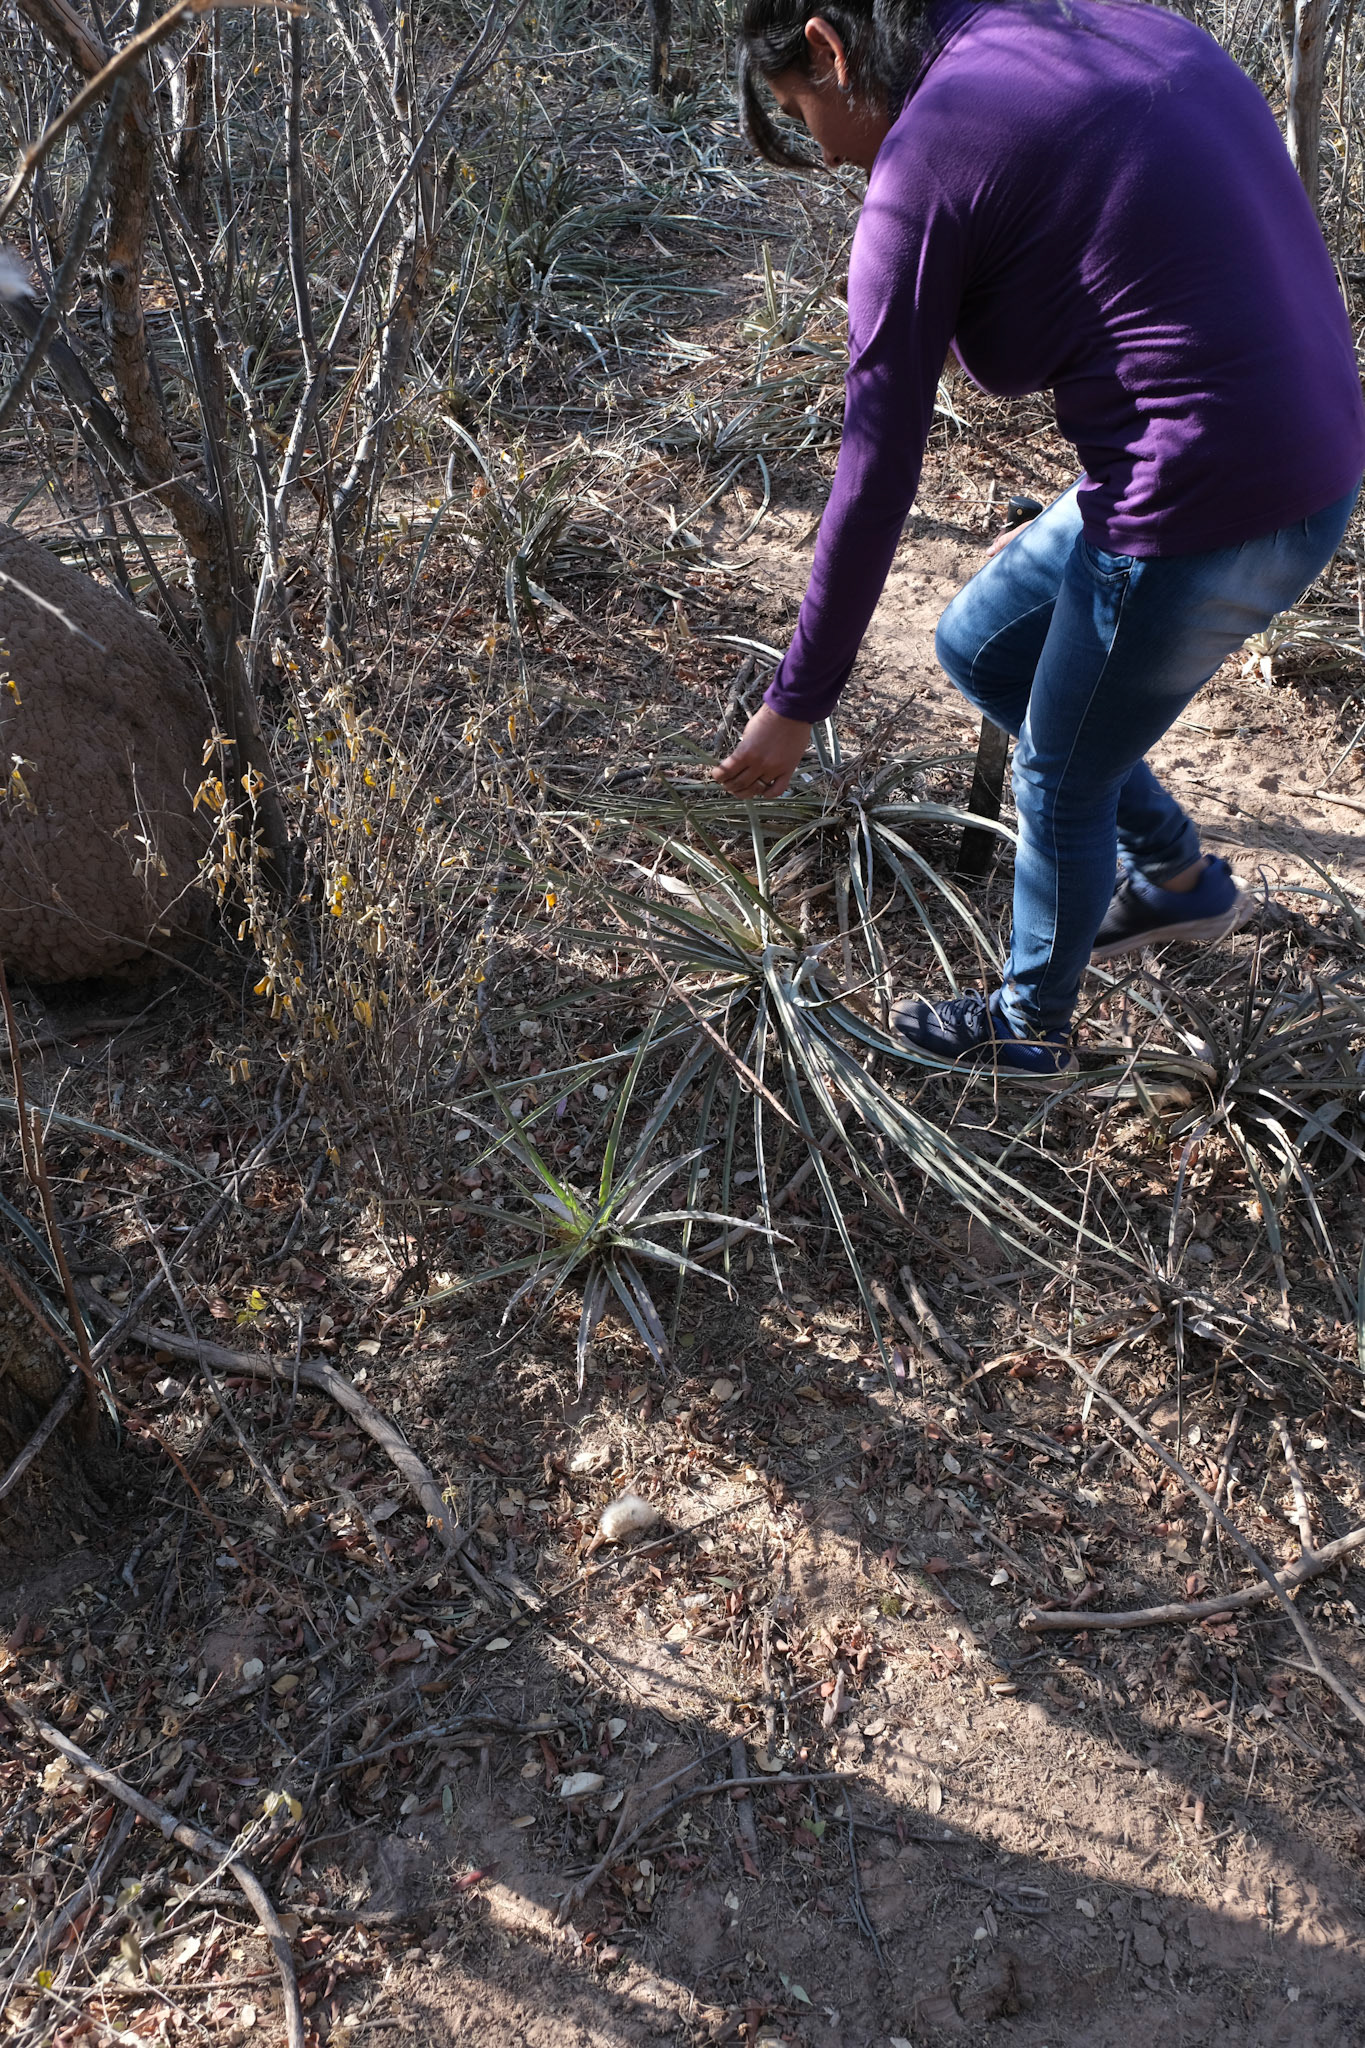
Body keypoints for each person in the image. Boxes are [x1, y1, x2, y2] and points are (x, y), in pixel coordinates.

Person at [713, 0, 1365, 1083]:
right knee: (981, 644)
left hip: (1201, 498)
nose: (821, 152)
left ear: (829, 48)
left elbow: (873, 479)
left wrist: (798, 700)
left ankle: (1028, 1031)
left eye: (798, 108)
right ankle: (1177, 879)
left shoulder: (925, 164)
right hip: (1311, 448)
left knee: (1059, 775)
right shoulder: (1095, 29)